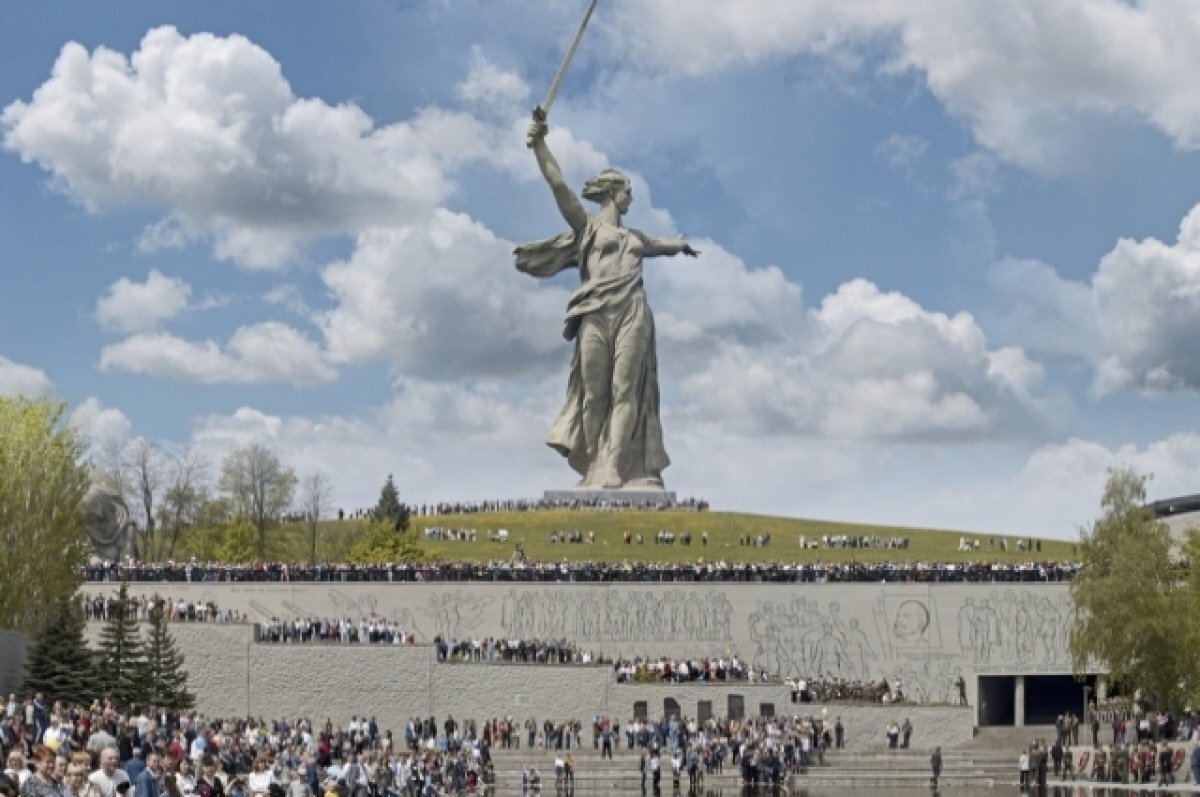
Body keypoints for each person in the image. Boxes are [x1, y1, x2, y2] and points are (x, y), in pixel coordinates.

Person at [519, 117, 699, 490]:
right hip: (595, 313)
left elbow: (662, 245)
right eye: (628, 192)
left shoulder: (635, 237)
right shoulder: (588, 227)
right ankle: (594, 466)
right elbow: (558, 184)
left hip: (633, 311)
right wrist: (540, 146)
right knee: (593, 394)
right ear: (614, 192)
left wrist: (680, 244)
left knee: (625, 390)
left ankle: (615, 466)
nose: (631, 199)